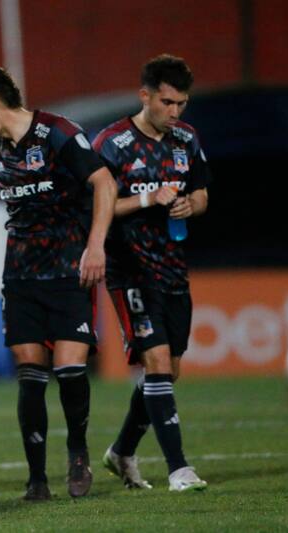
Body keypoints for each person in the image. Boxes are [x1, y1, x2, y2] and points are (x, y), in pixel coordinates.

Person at [0, 67, 117, 500]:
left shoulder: (59, 134)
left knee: (70, 371)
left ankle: (77, 452)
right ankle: (36, 478)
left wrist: (96, 245)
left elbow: (103, 181)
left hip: (70, 270)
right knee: (30, 375)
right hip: (20, 277)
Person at [92, 54, 210, 492]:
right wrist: (146, 200)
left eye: (181, 104)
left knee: (169, 370)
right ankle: (179, 468)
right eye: (167, 102)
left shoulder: (187, 140)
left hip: (173, 269)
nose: (175, 112)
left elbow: (202, 195)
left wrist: (188, 205)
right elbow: (95, 206)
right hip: (129, 270)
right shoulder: (111, 142)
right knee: (156, 362)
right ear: (145, 96)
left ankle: (122, 451)